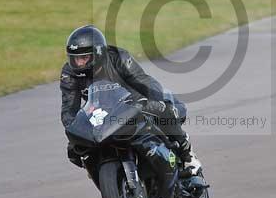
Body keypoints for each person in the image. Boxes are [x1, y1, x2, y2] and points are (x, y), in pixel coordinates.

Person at [60, 24, 202, 173]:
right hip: (103, 114)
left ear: (98, 53)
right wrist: (76, 130)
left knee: (164, 109)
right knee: (75, 150)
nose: (79, 63)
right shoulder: (69, 74)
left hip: (134, 105)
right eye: (75, 59)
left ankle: (188, 156)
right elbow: (69, 109)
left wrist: (155, 98)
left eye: (84, 58)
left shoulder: (118, 58)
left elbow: (143, 80)